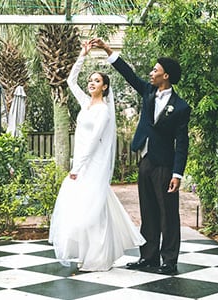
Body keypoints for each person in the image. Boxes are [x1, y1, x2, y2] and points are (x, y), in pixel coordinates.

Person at [91, 38, 190, 275]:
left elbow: (182, 143)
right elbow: (129, 75)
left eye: (155, 70)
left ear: (166, 76)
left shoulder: (181, 107)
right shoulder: (148, 91)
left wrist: (177, 173)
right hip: (145, 160)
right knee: (148, 211)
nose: (151, 72)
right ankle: (149, 257)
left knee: (168, 215)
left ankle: (169, 261)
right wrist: (107, 50)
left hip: (165, 165)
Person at [48, 41, 145, 272]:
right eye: (90, 80)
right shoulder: (85, 104)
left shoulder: (103, 111)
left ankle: (98, 258)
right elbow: (71, 81)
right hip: (81, 163)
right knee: (84, 209)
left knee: (92, 212)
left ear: (105, 87)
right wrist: (82, 54)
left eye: (97, 81)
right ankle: (87, 254)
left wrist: (77, 168)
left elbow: (93, 143)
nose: (92, 83)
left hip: (94, 164)